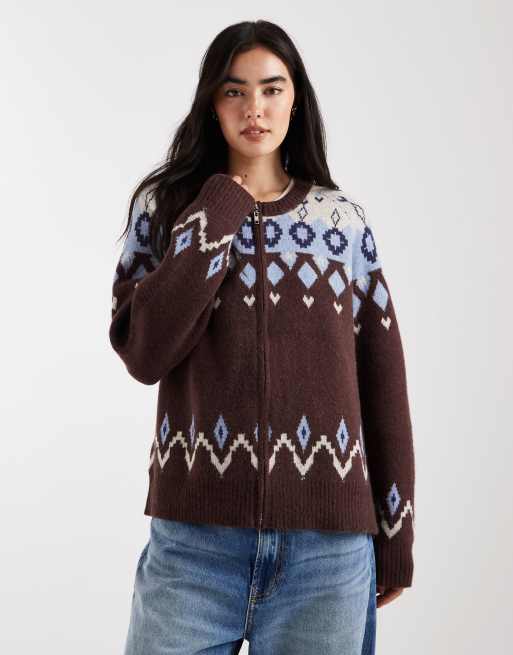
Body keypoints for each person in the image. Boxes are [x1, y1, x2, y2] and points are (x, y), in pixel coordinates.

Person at [109, 19, 415, 655]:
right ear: (211, 102)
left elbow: (383, 384)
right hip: (194, 547)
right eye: (235, 91)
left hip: (326, 553)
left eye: (272, 89)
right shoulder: (165, 210)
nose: (255, 108)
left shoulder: (341, 224)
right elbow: (144, 351)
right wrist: (219, 210)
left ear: (295, 99)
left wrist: (396, 533)